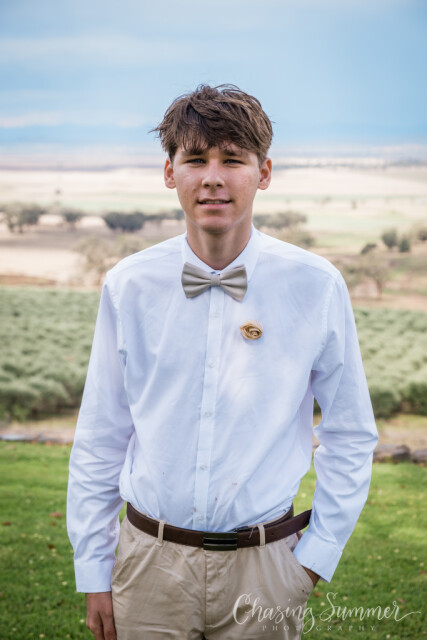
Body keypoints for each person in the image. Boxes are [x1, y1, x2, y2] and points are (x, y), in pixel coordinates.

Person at [67, 84, 378, 640]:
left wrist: (312, 559)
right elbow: (101, 435)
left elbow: (350, 432)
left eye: (232, 159)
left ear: (264, 173)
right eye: (195, 159)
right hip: (146, 566)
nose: (213, 177)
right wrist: (94, 568)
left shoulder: (316, 285)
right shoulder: (129, 285)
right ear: (170, 173)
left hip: (267, 569)